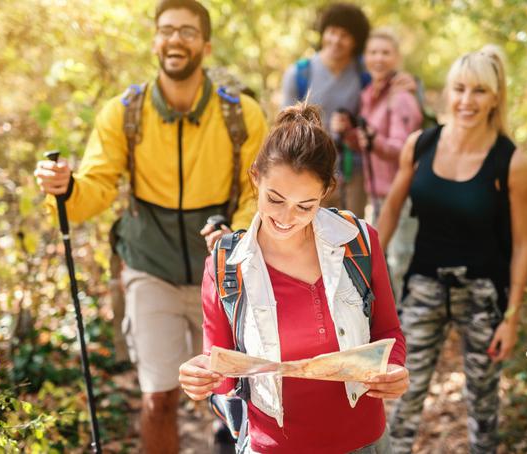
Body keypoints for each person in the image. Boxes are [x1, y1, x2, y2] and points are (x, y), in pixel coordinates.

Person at [34, 1, 267, 452]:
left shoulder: (241, 114)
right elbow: (95, 190)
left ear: (205, 44)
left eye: (186, 31)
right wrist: (65, 189)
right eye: (166, 30)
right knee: (158, 395)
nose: (175, 39)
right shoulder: (124, 113)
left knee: (233, 394)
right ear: (155, 41)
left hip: (224, 271)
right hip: (149, 266)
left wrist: (234, 237)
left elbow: (256, 191)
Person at [179, 103, 409, 453]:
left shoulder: (358, 241)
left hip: (364, 441)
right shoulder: (227, 264)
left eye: (305, 206)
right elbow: (224, 375)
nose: (287, 217)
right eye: (274, 199)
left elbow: (388, 332)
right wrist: (201, 377)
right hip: (273, 446)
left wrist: (393, 370)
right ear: (256, 176)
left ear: (326, 191)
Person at [376, 45, 527, 453]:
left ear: (496, 96)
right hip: (424, 288)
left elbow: (523, 243)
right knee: (402, 395)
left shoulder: (510, 161)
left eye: (479, 91)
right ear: (447, 92)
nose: (467, 101)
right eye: (459, 89)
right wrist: (368, 274)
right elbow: (391, 210)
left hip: (483, 294)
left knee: (482, 407)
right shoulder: (421, 145)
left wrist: (511, 317)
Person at [331, 28, 423, 300]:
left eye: (385, 52)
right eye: (373, 52)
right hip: (380, 194)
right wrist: (348, 132)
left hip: (403, 194)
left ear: (396, 58)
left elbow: (404, 148)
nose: (378, 58)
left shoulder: (401, 97)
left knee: (400, 264)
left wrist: (374, 139)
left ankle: (409, 328)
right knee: (384, 263)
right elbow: (364, 144)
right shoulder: (369, 94)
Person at [281, 3, 371, 218]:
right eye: (332, 32)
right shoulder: (300, 74)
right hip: (309, 170)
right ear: (323, 32)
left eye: (345, 35)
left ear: (356, 41)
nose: (336, 40)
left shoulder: (364, 75)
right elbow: (284, 128)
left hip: (352, 173)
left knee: (351, 238)